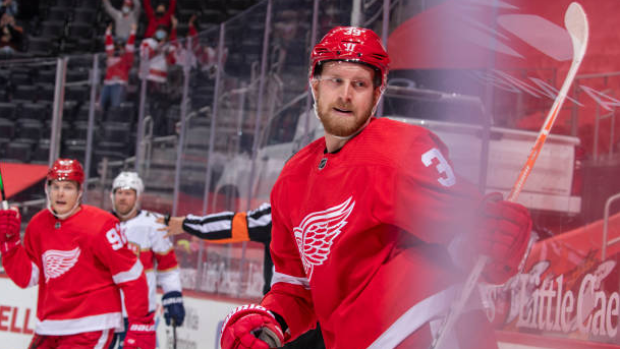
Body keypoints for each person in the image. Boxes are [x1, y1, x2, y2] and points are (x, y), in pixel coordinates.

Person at [219, 26, 533, 349]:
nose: (345, 94)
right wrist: (267, 326)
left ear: (376, 93)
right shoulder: (292, 179)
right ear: (314, 85)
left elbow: (465, 233)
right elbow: (295, 288)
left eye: (359, 84)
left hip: (428, 331)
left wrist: (494, 238)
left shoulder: (402, 151)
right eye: (335, 81)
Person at [0, 159, 155, 349]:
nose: (61, 193)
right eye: (55, 187)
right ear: (47, 190)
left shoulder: (102, 225)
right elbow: (28, 277)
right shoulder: (38, 224)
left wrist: (140, 322)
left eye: (68, 187)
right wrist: (10, 244)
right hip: (50, 325)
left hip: (92, 325)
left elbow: (131, 276)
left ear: (80, 191)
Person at [159, 203, 325, 349]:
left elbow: (233, 225)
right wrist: (188, 224)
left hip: (295, 319)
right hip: (290, 317)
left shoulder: (283, 210)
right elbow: (234, 225)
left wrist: (186, 224)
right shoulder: (282, 210)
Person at [108, 171, 185, 348]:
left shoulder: (153, 224)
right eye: (119, 192)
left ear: (138, 197)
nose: (122, 198)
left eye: (128, 193)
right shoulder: (101, 223)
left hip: (139, 313)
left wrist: (173, 295)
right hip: (105, 312)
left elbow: (168, 268)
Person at [140, 22, 177, 135]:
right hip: (148, 79)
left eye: (164, 33)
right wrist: (158, 48)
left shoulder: (169, 47)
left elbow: (172, 62)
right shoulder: (147, 42)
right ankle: (146, 128)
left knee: (160, 106)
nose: (161, 34)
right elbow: (145, 56)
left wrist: (166, 53)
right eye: (159, 31)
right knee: (148, 104)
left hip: (161, 81)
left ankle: (157, 129)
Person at [100, 24, 136, 112]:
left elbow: (130, 45)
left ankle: (115, 119)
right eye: (118, 47)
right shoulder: (111, 54)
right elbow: (109, 45)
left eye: (121, 47)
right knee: (100, 106)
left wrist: (133, 32)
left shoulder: (127, 57)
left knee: (116, 107)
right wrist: (108, 32)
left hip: (119, 83)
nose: (119, 49)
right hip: (107, 83)